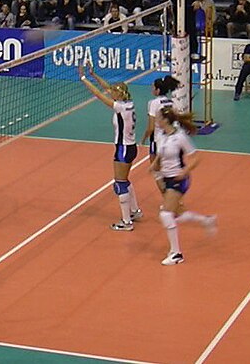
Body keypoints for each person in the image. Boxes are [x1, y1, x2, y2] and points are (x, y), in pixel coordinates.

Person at [79, 64, 141, 232]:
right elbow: (107, 88)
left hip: (123, 149)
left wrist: (84, 79)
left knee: (119, 184)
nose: (110, 92)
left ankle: (126, 222)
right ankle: (135, 211)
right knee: (125, 181)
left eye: (113, 92)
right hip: (131, 147)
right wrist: (94, 74)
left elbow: (99, 94)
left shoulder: (120, 107)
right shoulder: (129, 102)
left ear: (118, 94)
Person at [152, 107, 216, 265]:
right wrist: (154, 165)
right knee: (178, 213)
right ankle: (206, 220)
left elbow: (195, 157)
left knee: (165, 214)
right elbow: (161, 153)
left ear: (165, 120)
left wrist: (184, 171)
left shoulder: (180, 136)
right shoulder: (160, 135)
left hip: (179, 179)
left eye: (158, 117)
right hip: (167, 177)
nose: (156, 120)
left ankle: (176, 254)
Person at [140, 76, 179, 194]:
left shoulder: (153, 103)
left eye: (153, 87)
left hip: (158, 141)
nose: (151, 89)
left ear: (157, 90)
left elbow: (151, 128)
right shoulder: (172, 102)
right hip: (173, 140)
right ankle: (174, 199)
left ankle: (169, 201)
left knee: (157, 172)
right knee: (169, 171)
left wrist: (143, 139)